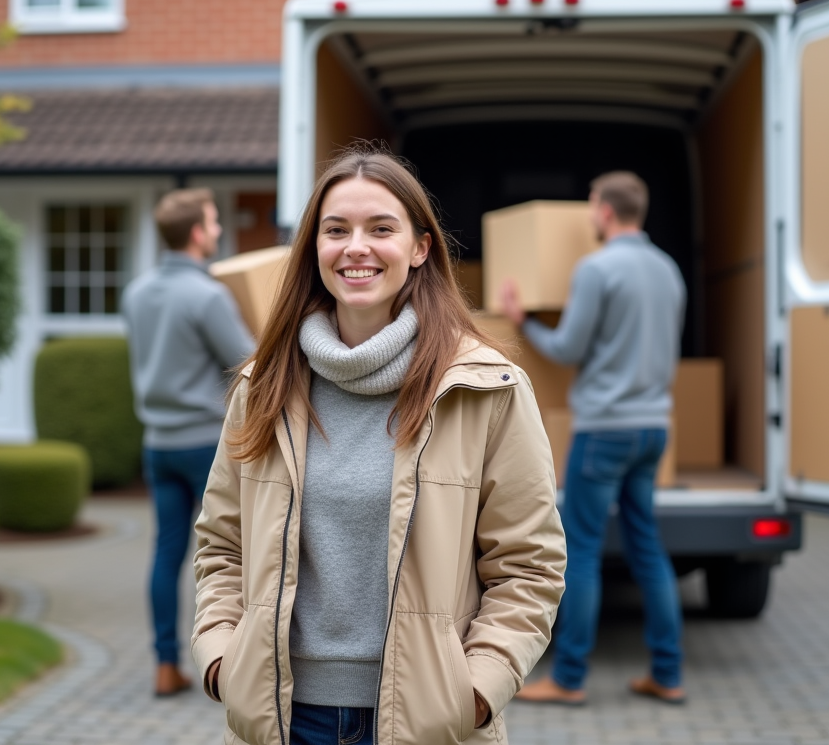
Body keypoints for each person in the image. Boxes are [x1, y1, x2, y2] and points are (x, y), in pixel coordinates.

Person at [190, 148, 567, 745]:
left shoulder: (485, 389)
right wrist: (221, 659)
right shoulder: (262, 386)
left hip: (429, 723)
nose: (356, 248)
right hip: (283, 719)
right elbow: (221, 545)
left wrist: (474, 691)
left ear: (420, 248)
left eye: (381, 229)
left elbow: (529, 565)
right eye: (336, 230)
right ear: (314, 248)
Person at [507, 171, 688, 706]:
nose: (590, 215)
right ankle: (668, 674)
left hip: (604, 428)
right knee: (647, 547)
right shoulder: (669, 270)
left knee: (581, 550)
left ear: (606, 211)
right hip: (654, 427)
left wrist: (522, 321)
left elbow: (567, 349)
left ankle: (568, 679)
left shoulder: (596, 268)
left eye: (591, 205)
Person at [122, 187, 256, 698]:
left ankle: (165, 665)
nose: (218, 230)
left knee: (167, 553)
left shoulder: (136, 293)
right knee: (232, 554)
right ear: (198, 233)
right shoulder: (208, 295)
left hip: (157, 444)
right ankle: (235, 662)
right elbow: (248, 363)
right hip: (207, 446)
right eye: (214, 222)